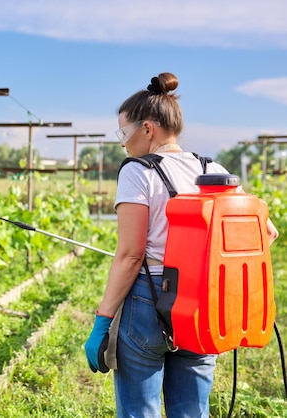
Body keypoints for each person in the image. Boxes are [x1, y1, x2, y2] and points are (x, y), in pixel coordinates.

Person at [84, 72, 279, 418]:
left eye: (123, 133)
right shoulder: (212, 168)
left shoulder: (137, 171)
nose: (123, 144)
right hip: (205, 300)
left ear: (147, 129)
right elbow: (268, 232)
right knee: (191, 410)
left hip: (149, 299)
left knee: (139, 411)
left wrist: (103, 320)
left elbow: (131, 255)